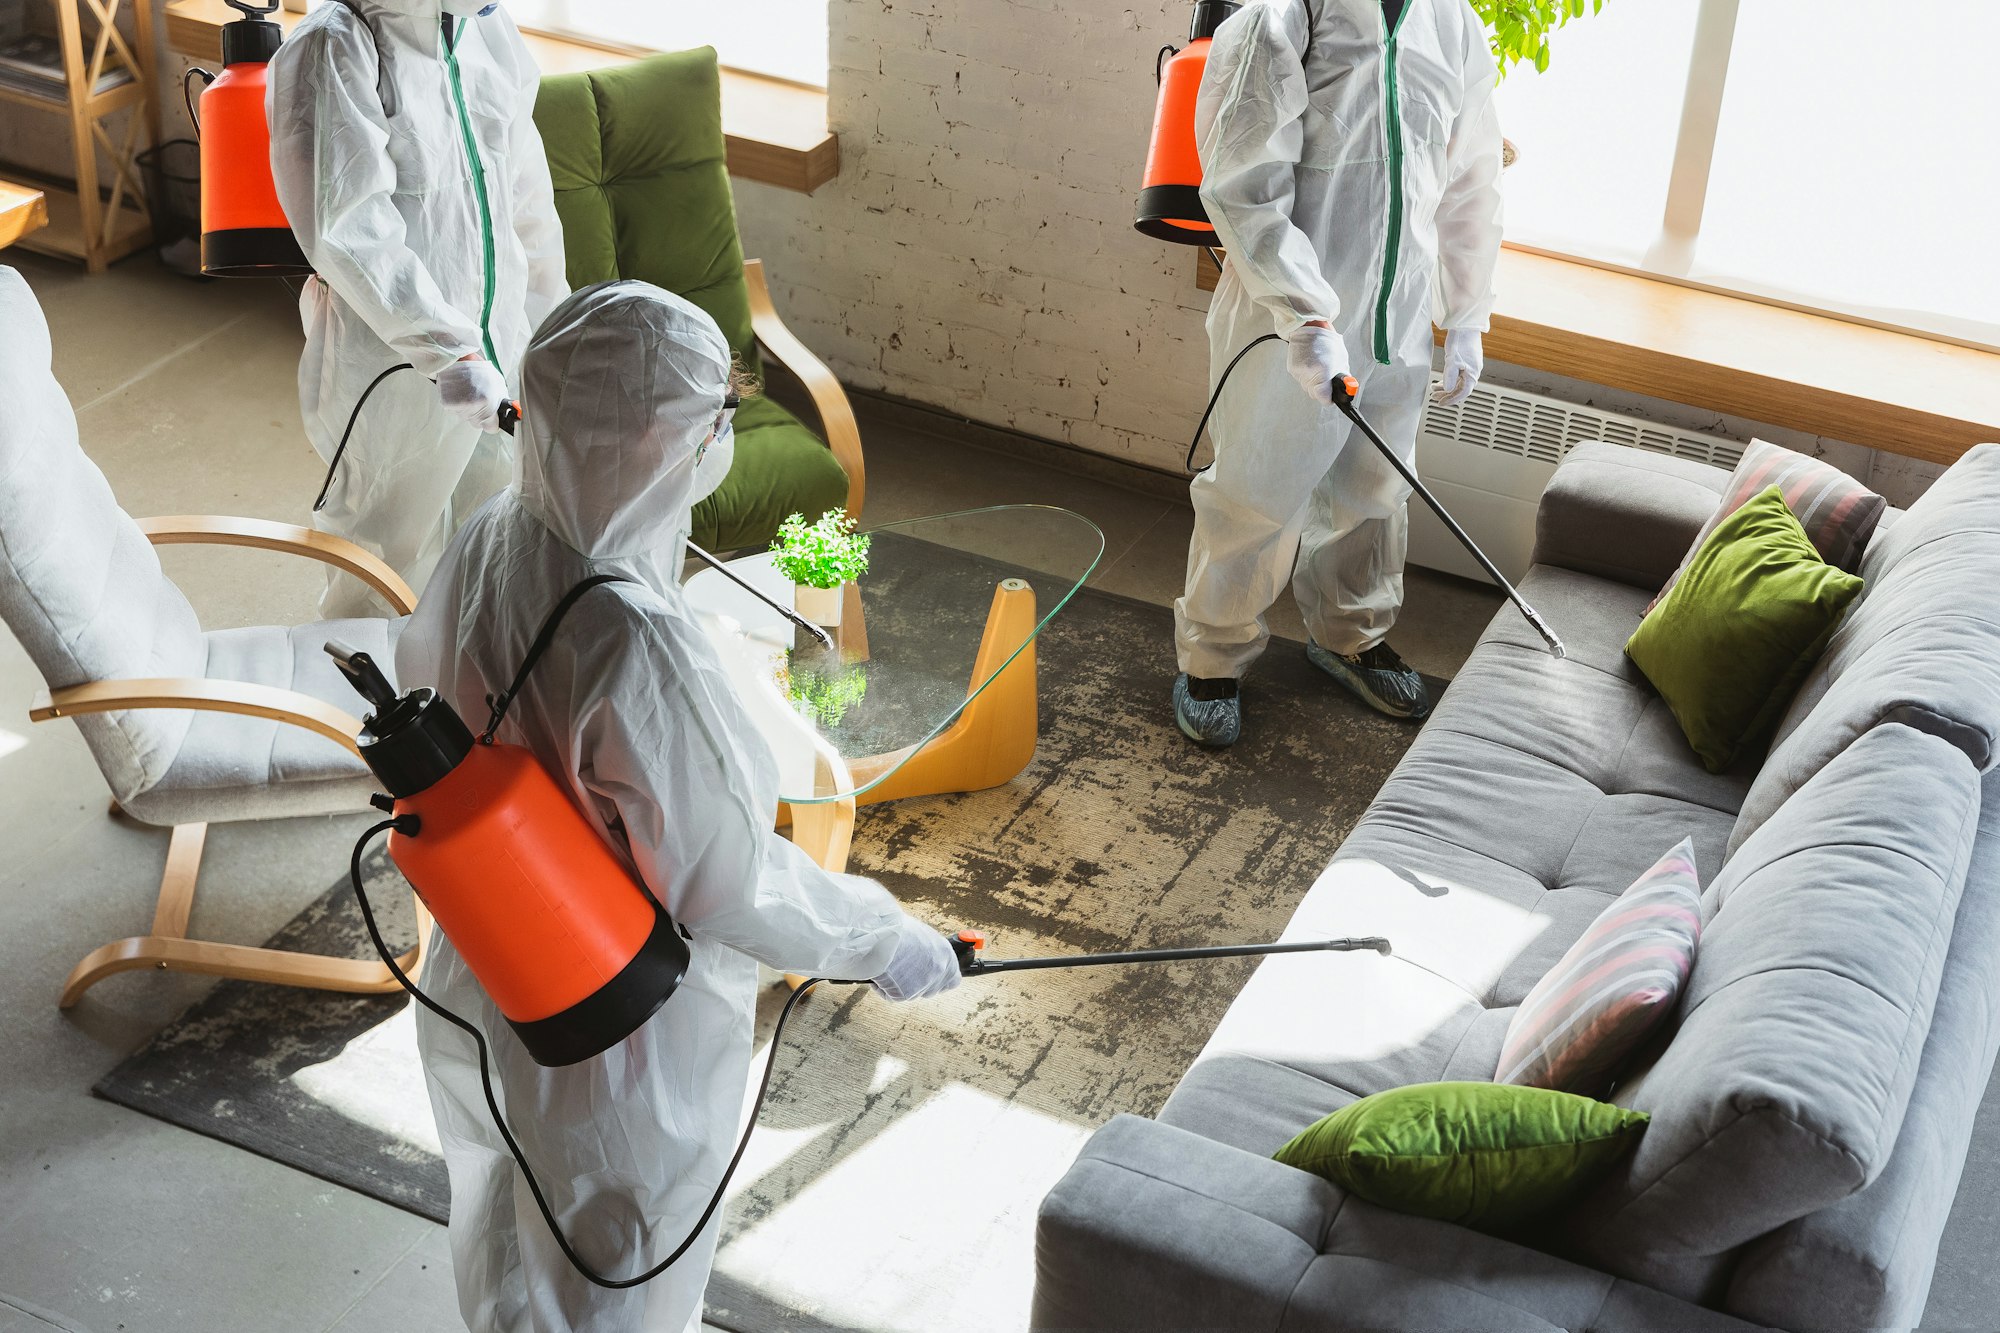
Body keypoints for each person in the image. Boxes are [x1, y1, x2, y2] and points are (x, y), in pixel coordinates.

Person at [394, 281, 962, 1332]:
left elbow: (429, 685)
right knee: (620, 1269)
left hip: (484, 966)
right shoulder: (632, 643)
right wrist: (886, 938)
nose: (722, 442)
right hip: (617, 1031)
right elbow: (726, 882)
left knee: (508, 1224)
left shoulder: (490, 534)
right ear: (663, 438)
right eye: (718, 420)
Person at [1172, 0, 1503, 745]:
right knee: (1259, 489)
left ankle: (1349, 634)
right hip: (1284, 317)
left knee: (1375, 489)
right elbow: (1240, 176)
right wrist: (1305, 316)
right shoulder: (1284, 12)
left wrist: (1469, 313)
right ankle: (1212, 656)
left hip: (1400, 313)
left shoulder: (1451, 23)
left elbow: (1472, 180)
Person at [269, 0, 568, 616]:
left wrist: (553, 325)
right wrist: (446, 349)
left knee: (493, 535)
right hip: (390, 366)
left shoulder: (487, 31)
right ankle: (366, 704)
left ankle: (465, 694)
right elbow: (347, 227)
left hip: (504, 345)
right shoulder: (338, 45)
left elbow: (526, 201)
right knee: (384, 551)